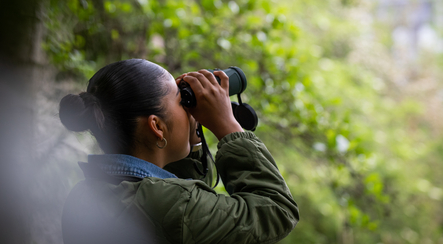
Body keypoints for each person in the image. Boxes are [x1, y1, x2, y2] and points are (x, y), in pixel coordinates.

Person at [59, 59, 299, 244]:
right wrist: (228, 126)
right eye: (180, 99)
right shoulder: (166, 204)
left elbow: (181, 207)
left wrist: (192, 138)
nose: (188, 109)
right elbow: (277, 210)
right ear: (157, 126)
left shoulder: (84, 193)